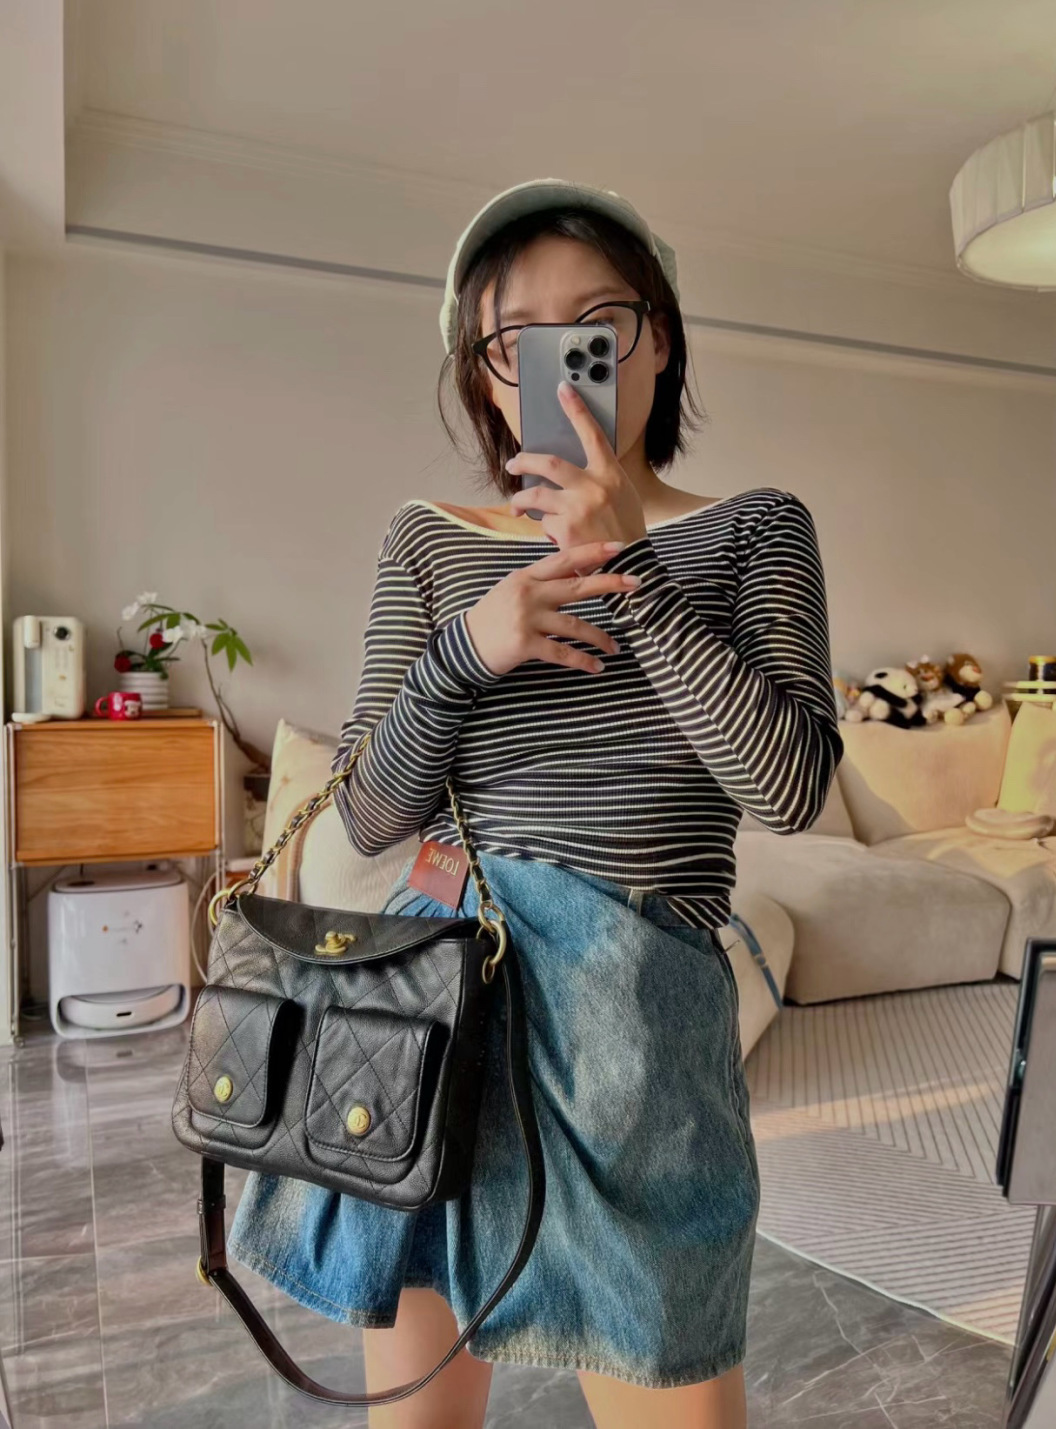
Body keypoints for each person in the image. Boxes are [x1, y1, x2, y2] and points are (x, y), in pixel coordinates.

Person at [227, 178, 844, 1429]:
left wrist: (633, 573)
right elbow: (370, 813)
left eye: (601, 323)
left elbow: (788, 788)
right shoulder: (429, 541)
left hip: (636, 1032)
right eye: (520, 336)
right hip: (429, 1011)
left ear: (658, 341)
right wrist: (471, 649)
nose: (565, 358)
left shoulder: (756, 531)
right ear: (487, 370)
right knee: (420, 1418)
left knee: (674, 1395)